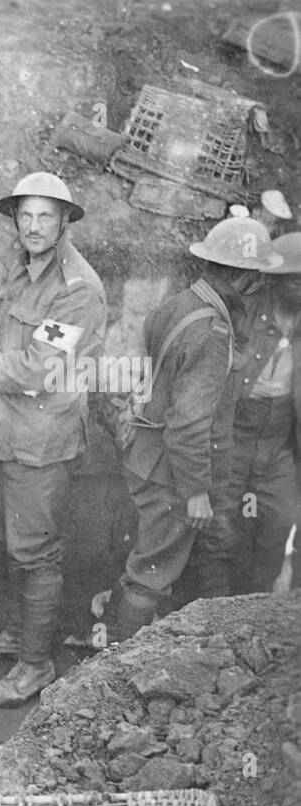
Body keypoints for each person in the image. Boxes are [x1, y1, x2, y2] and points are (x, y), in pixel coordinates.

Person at [0, 172, 107, 707]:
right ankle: (23, 637)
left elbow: (41, 368)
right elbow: (18, 325)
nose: (34, 227)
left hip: (40, 442)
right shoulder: (25, 266)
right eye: (26, 216)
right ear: (16, 219)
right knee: (11, 542)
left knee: (35, 552)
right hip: (3, 434)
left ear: (64, 222)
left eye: (45, 217)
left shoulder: (78, 290)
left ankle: (37, 663)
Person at [102, 218, 284, 639]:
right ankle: (112, 671)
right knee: (152, 572)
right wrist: (197, 492)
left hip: (148, 455)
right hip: (173, 470)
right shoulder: (213, 332)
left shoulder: (180, 304)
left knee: (156, 557)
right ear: (247, 278)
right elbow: (188, 424)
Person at [189, 230, 300, 596]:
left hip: (279, 443)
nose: (298, 288)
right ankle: (211, 619)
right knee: (220, 530)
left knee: (278, 524)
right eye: (292, 280)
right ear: (272, 279)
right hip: (233, 436)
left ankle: (254, 614)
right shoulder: (245, 311)